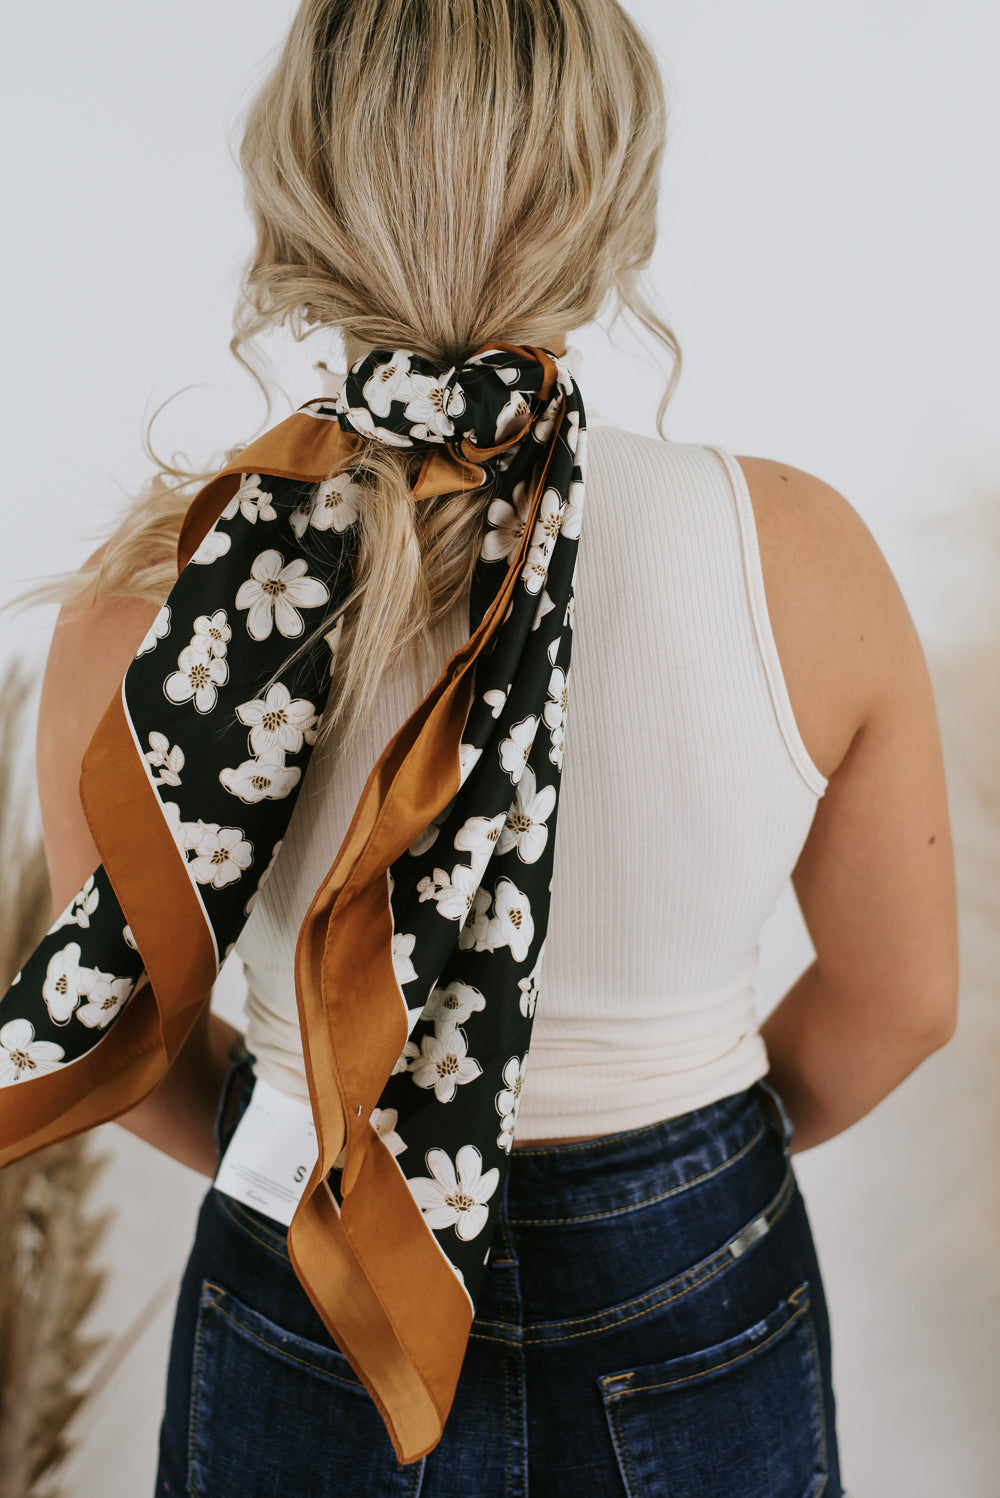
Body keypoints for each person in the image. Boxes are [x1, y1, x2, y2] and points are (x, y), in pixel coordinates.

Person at [27, 1, 957, 1494]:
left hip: (297, 1246)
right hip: (691, 1253)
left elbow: (125, 1034)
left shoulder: (159, 598)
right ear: (612, 190)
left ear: (295, 182)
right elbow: (902, 1000)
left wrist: (311, 1163)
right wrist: (687, 1177)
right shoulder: (807, 557)